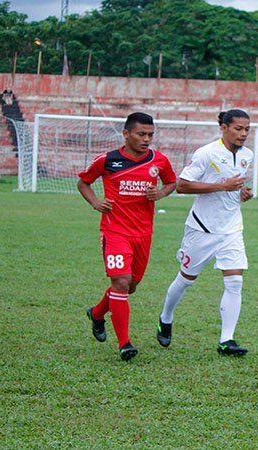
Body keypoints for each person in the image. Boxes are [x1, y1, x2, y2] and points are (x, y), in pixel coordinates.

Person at [77, 112, 177, 361]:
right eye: (141, 134)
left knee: (130, 287)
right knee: (120, 282)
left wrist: (160, 194)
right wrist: (96, 203)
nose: (146, 139)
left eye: (150, 135)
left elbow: (172, 182)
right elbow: (84, 183)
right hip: (114, 231)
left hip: (143, 234)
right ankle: (125, 344)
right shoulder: (107, 160)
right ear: (126, 134)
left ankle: (98, 313)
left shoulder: (159, 160)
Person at [157, 109, 254, 356]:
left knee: (235, 281)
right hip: (201, 228)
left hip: (231, 228)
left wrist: (241, 194)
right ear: (224, 127)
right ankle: (165, 317)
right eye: (238, 128)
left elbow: (232, 189)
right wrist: (222, 186)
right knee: (186, 279)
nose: (243, 134)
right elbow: (182, 186)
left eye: (246, 129)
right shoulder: (206, 153)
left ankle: (226, 340)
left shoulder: (247, 155)